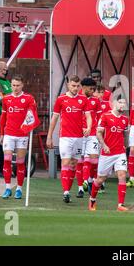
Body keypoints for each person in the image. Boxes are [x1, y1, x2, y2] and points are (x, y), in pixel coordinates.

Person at [46, 75, 92, 203]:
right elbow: (54, 118)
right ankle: (65, 192)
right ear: (68, 85)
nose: (75, 88)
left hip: (79, 137)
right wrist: (49, 136)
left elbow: (88, 116)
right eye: (73, 86)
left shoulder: (83, 99)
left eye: (78, 86)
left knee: (73, 164)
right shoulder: (61, 99)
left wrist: (89, 127)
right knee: (65, 162)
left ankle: (68, 188)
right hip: (65, 137)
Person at [88, 94, 129, 212]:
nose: (122, 105)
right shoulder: (105, 116)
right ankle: (92, 199)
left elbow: (125, 134)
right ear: (113, 103)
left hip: (120, 152)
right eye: (120, 102)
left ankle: (120, 204)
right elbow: (98, 133)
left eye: (124, 103)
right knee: (100, 179)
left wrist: (125, 145)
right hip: (107, 153)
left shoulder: (125, 119)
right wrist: (104, 145)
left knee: (122, 175)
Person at [0, 75, 37, 199]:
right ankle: (8, 188)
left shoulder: (28, 98)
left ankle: (19, 189)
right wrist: (1, 134)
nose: (15, 88)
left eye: (18, 85)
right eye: (13, 85)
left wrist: (31, 122)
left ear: (22, 85)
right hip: (9, 133)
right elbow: (3, 117)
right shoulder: (6, 99)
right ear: (11, 85)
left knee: (20, 162)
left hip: (22, 134)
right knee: (7, 160)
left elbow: (32, 115)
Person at [79, 78, 100, 198]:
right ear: (84, 87)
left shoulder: (95, 101)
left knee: (93, 159)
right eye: (90, 89)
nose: (92, 91)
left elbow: (99, 116)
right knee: (81, 160)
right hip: (79, 134)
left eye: (94, 89)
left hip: (92, 133)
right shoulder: (77, 100)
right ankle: (81, 187)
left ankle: (89, 180)